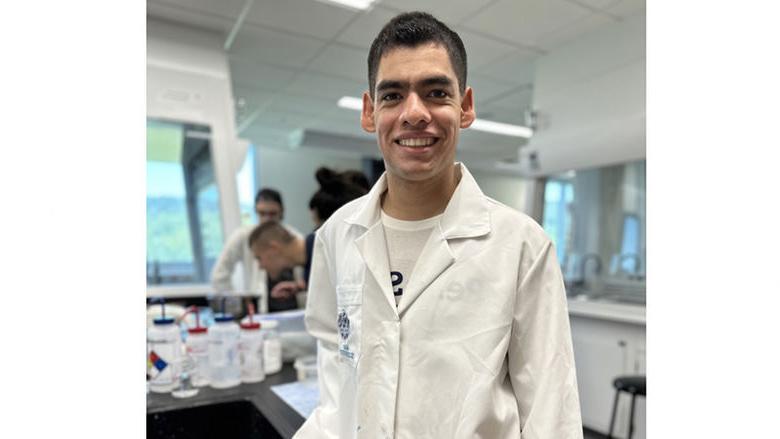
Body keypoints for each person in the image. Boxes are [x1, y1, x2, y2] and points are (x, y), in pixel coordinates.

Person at [295, 12, 583, 439]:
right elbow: (337, 385)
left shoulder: (521, 246)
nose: (414, 113)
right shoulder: (338, 234)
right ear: (369, 112)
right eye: (392, 95)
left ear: (465, 107)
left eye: (435, 92)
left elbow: (552, 414)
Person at [249, 168, 370, 301]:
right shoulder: (312, 259)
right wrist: (302, 286)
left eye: (259, 258)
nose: (260, 266)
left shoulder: (324, 249)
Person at [210, 188, 302, 313]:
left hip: (294, 310)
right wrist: (238, 305)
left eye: (272, 214)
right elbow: (219, 275)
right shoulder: (243, 236)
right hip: (260, 311)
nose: (267, 219)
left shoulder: (295, 238)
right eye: (262, 213)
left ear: (281, 212)